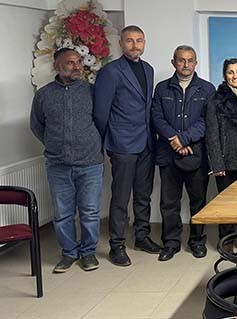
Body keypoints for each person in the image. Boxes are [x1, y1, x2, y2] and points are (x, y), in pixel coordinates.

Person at [30, 48, 104, 273]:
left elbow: (102, 120)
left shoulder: (92, 91)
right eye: (70, 63)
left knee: (90, 211)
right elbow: (37, 125)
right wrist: (55, 144)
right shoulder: (44, 95)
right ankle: (69, 253)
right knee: (63, 214)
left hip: (90, 162)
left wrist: (91, 142)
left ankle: (88, 252)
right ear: (57, 66)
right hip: (58, 165)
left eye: (78, 61)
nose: (77, 66)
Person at [93, 25, 161, 266]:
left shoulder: (148, 69)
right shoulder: (110, 72)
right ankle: (117, 245)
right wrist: (110, 139)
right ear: (121, 44)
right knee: (121, 198)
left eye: (139, 40)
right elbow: (100, 113)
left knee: (143, 195)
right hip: (122, 144)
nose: (135, 45)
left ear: (144, 43)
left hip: (146, 142)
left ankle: (141, 237)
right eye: (130, 40)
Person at [150, 45, 215, 261]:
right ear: (174, 62)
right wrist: (174, 139)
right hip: (168, 154)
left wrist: (184, 139)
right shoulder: (162, 88)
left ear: (196, 63)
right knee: (169, 203)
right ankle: (171, 243)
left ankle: (197, 241)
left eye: (190, 60)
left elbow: (206, 121)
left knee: (198, 202)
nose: (186, 64)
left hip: (196, 154)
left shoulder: (207, 89)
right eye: (181, 60)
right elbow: (156, 117)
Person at [206, 58, 237, 240]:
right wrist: (217, 164)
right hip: (227, 161)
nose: (235, 76)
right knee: (226, 204)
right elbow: (212, 134)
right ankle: (226, 241)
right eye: (230, 72)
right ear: (225, 75)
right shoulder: (216, 100)